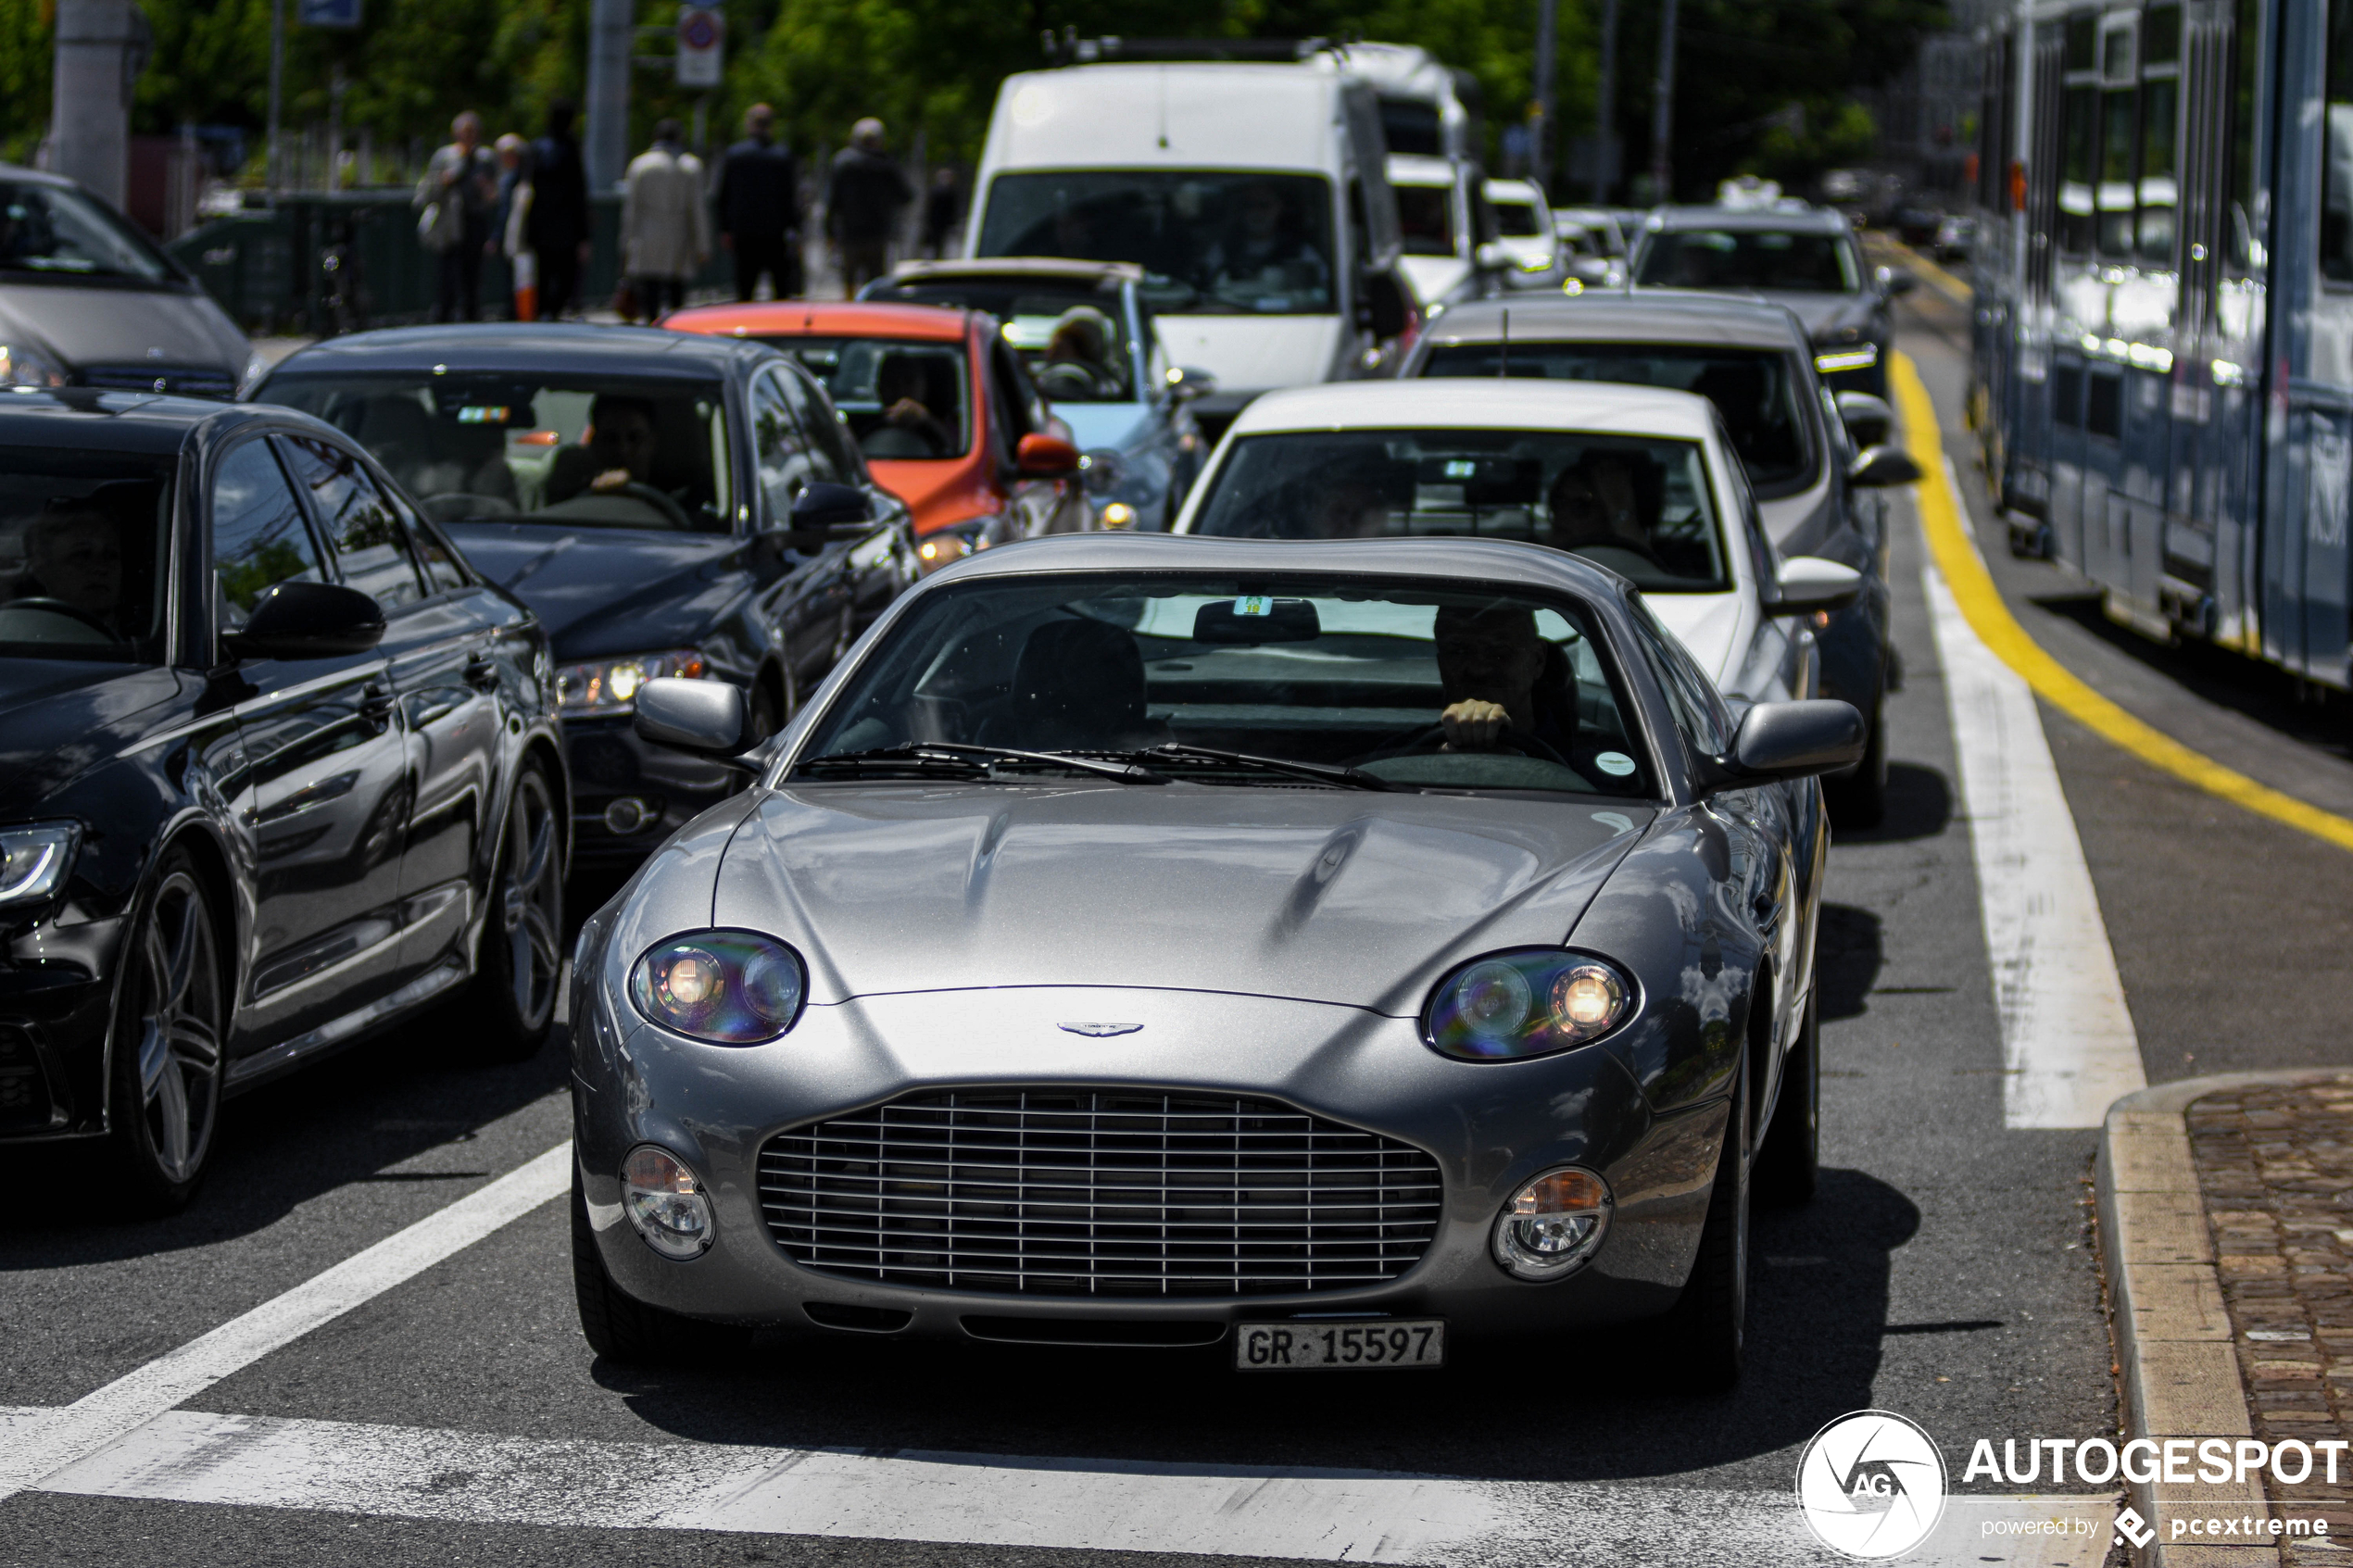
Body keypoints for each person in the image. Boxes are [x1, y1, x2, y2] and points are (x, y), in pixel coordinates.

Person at [1429, 603, 1578, 759]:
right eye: (1458, 652)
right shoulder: (1411, 752)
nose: (1478, 670)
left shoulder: (1585, 772)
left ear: (1538, 660)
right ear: (1441, 665)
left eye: (1499, 651)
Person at [622, 119, 710, 320]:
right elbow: (697, 210)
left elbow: (631, 210)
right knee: (676, 289)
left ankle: (652, 323)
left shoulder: (641, 165)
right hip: (679, 234)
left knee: (650, 286)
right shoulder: (690, 166)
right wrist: (703, 246)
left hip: (647, 233)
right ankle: (674, 325)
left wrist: (626, 244)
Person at [714, 104, 801, 302]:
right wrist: (795, 228)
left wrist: (724, 228)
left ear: (749, 124)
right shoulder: (783, 156)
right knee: (780, 290)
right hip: (776, 233)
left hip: (743, 232)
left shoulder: (734, 155)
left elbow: (723, 195)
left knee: (745, 289)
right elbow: (791, 197)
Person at [415, 112, 497, 322]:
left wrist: (486, 189)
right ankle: (443, 315)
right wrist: (445, 180)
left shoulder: (485, 158)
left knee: (473, 275)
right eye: (465, 131)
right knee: (447, 275)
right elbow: (426, 193)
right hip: (449, 223)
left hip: (475, 221)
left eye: (473, 132)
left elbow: (494, 195)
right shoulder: (444, 157)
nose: (469, 136)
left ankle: (472, 316)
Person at [826, 118, 912, 297]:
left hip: (850, 233)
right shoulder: (886, 164)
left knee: (849, 279)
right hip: (878, 233)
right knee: (876, 283)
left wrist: (829, 231)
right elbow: (906, 196)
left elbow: (833, 200)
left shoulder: (842, 162)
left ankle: (848, 315)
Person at [1201, 180, 1328, 300]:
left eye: (1264, 205)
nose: (1256, 212)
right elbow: (1204, 287)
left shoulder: (1301, 251)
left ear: (1279, 208)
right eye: (1249, 206)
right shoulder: (1223, 250)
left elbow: (1321, 289)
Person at [525, 99, 592, 320]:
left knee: (542, 274)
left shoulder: (537, 148)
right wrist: (584, 234)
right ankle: (553, 312)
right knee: (567, 275)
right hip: (567, 227)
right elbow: (578, 192)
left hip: (540, 225)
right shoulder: (571, 149)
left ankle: (542, 313)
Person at [15, 499, 124, 630]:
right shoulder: (18, 635)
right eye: (82, 555)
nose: (100, 568)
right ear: (42, 568)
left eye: (111, 555)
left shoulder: (147, 637)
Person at [861, 353, 952, 457]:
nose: (901, 389)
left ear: (925, 385)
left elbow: (954, 448)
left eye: (909, 381)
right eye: (892, 382)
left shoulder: (951, 425)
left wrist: (927, 420)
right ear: (879, 388)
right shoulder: (862, 426)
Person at [1033, 306, 1120, 399]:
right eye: (1056, 347)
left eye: (1061, 349)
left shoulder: (1106, 385)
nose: (1050, 352)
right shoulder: (1035, 375)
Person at [490, 132, 533, 320]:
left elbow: (505, 211)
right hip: (511, 235)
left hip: (522, 235)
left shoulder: (519, 178)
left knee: (522, 278)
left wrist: (495, 237)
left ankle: (521, 313)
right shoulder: (506, 178)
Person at [920, 167, 961, 258]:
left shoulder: (934, 190)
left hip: (935, 222)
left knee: (935, 244)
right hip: (943, 222)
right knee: (941, 244)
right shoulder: (951, 191)